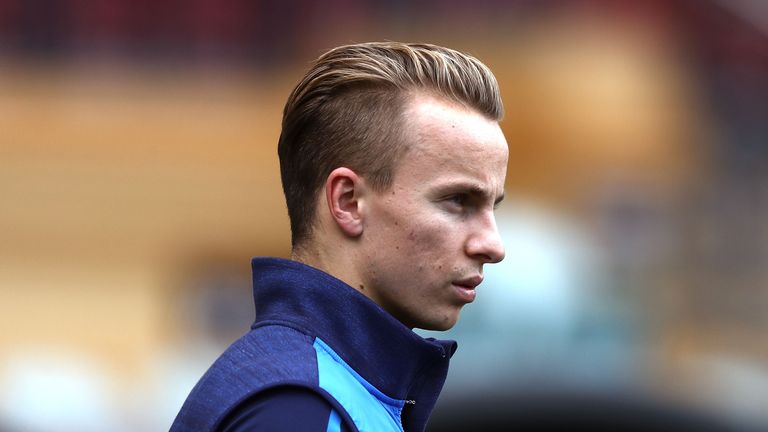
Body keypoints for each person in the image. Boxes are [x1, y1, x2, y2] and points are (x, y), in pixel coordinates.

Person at [171, 41, 508, 432]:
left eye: (492, 207)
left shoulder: (330, 391)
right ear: (348, 201)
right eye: (457, 201)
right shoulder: (299, 408)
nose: (493, 246)